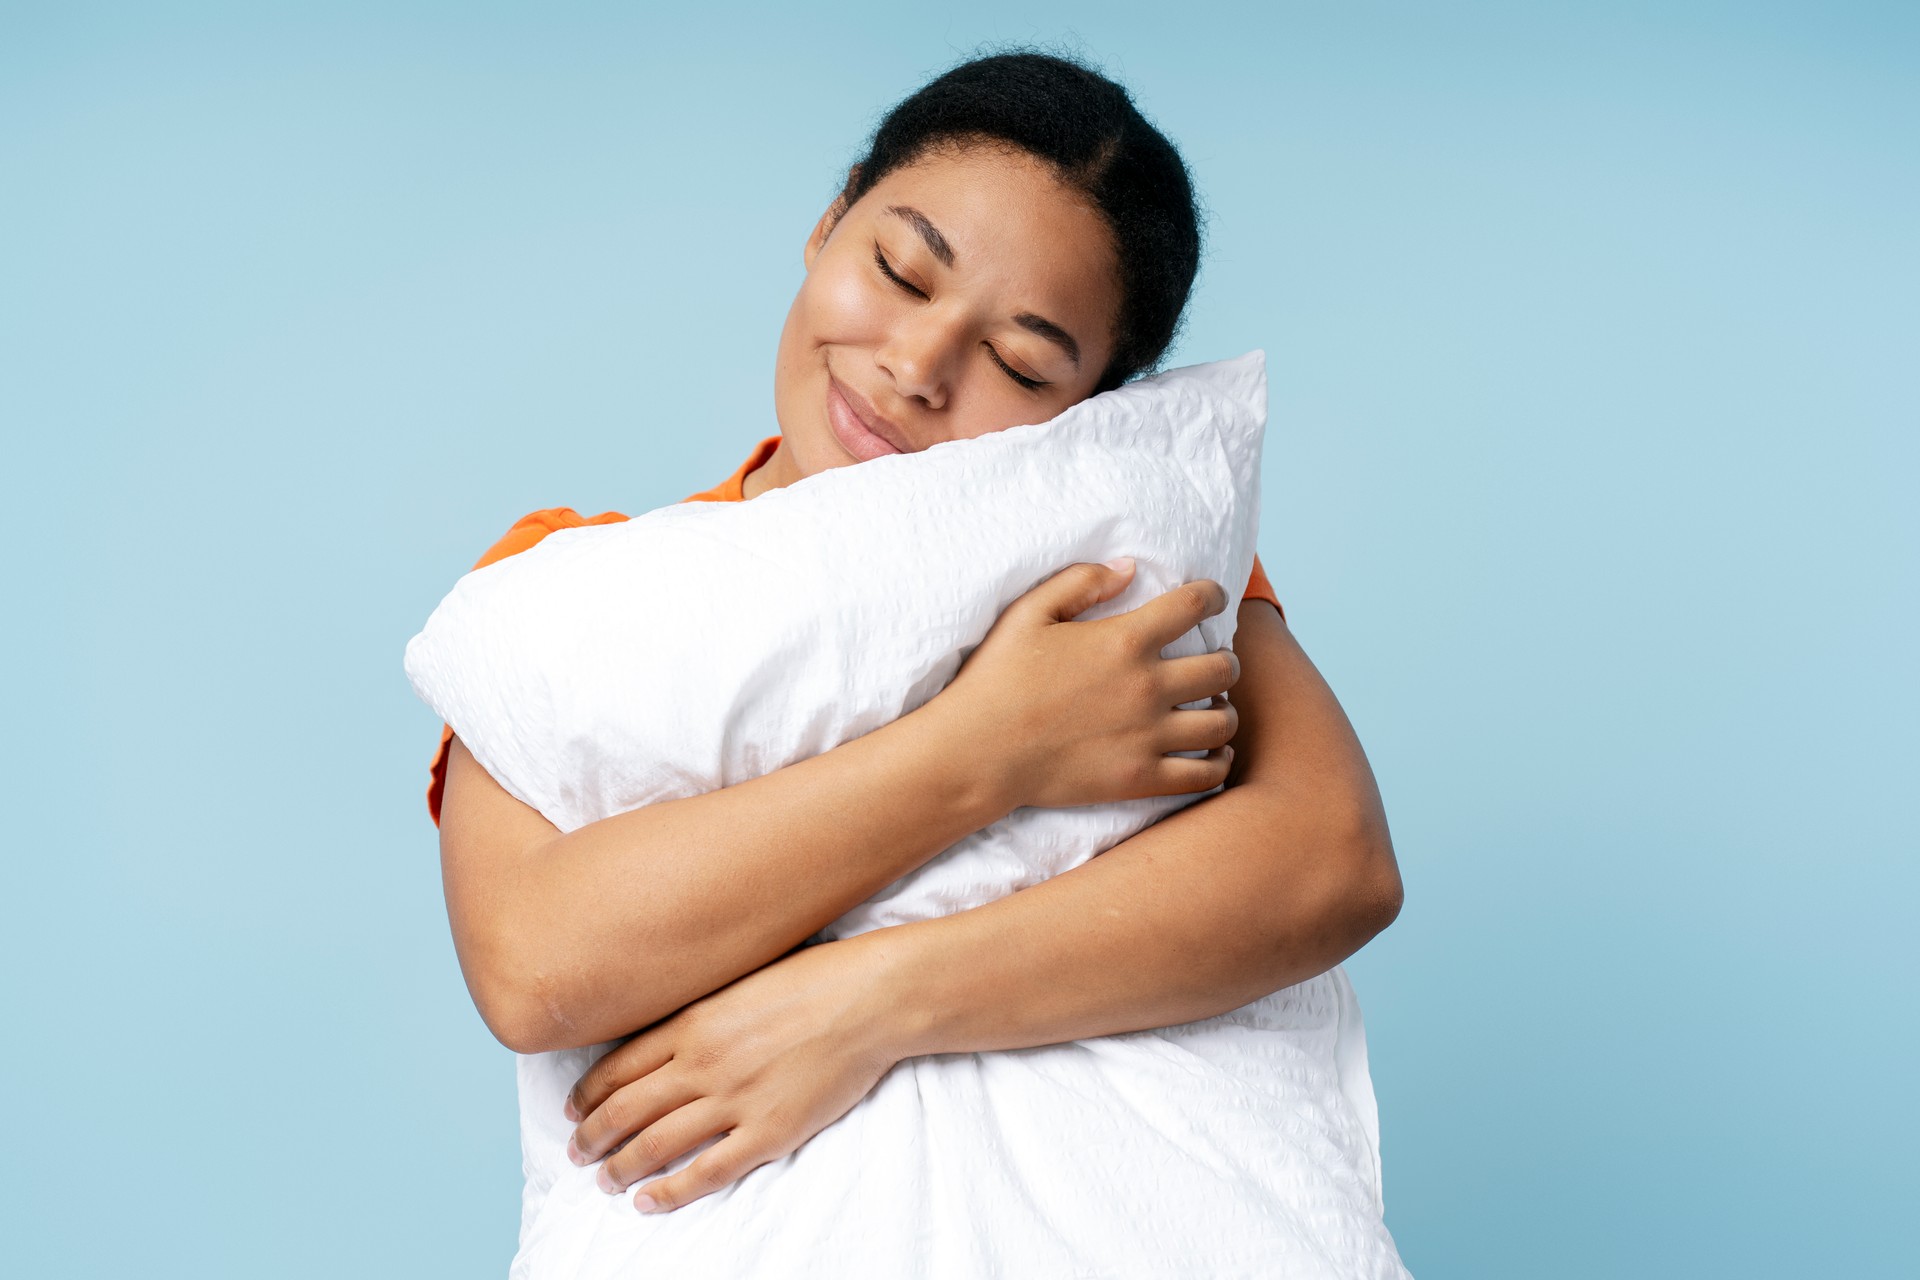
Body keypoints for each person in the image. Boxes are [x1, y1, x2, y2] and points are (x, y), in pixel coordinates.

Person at [425, 49, 1407, 1271]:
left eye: (1023, 362)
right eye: (898, 269)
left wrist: (869, 1002)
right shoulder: (580, 585)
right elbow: (535, 965)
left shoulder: (1122, 561)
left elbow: (1332, 862)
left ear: (1098, 406)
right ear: (829, 220)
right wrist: (983, 748)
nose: (916, 368)